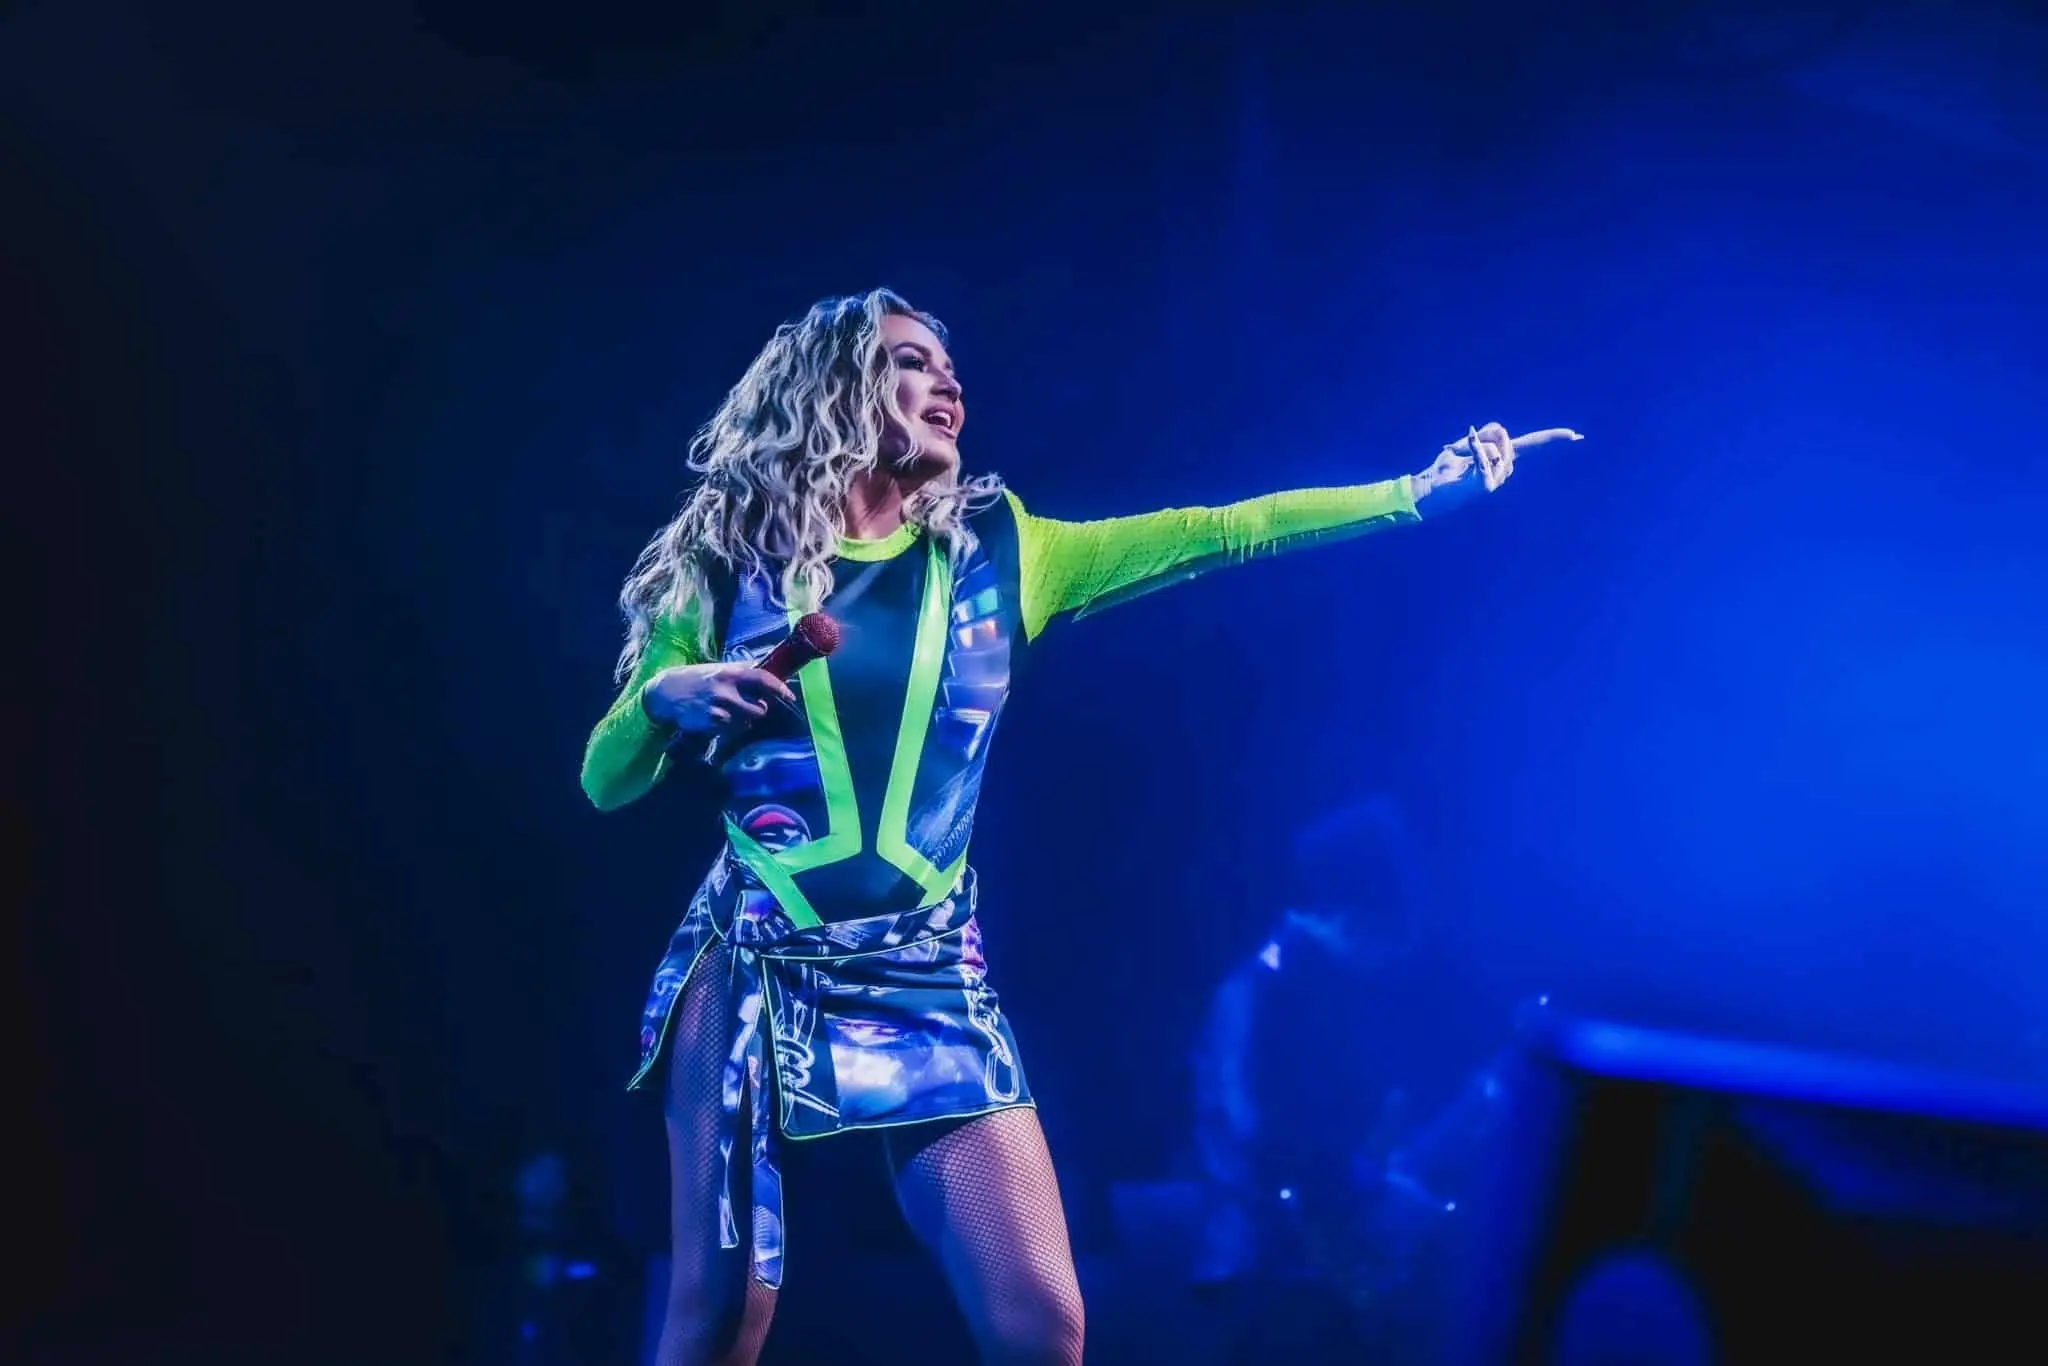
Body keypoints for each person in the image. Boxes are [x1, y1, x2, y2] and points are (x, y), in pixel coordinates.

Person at [579, 287, 1579, 1366]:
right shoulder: (726, 559)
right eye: (912, 360)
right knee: (719, 1319)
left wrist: (1412, 494)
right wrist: (663, 697)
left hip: (921, 964)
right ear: (834, 391)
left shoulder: (1002, 555)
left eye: (950, 364)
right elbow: (606, 781)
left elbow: (1221, 532)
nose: (948, 380)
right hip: (756, 954)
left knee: (1044, 1329)